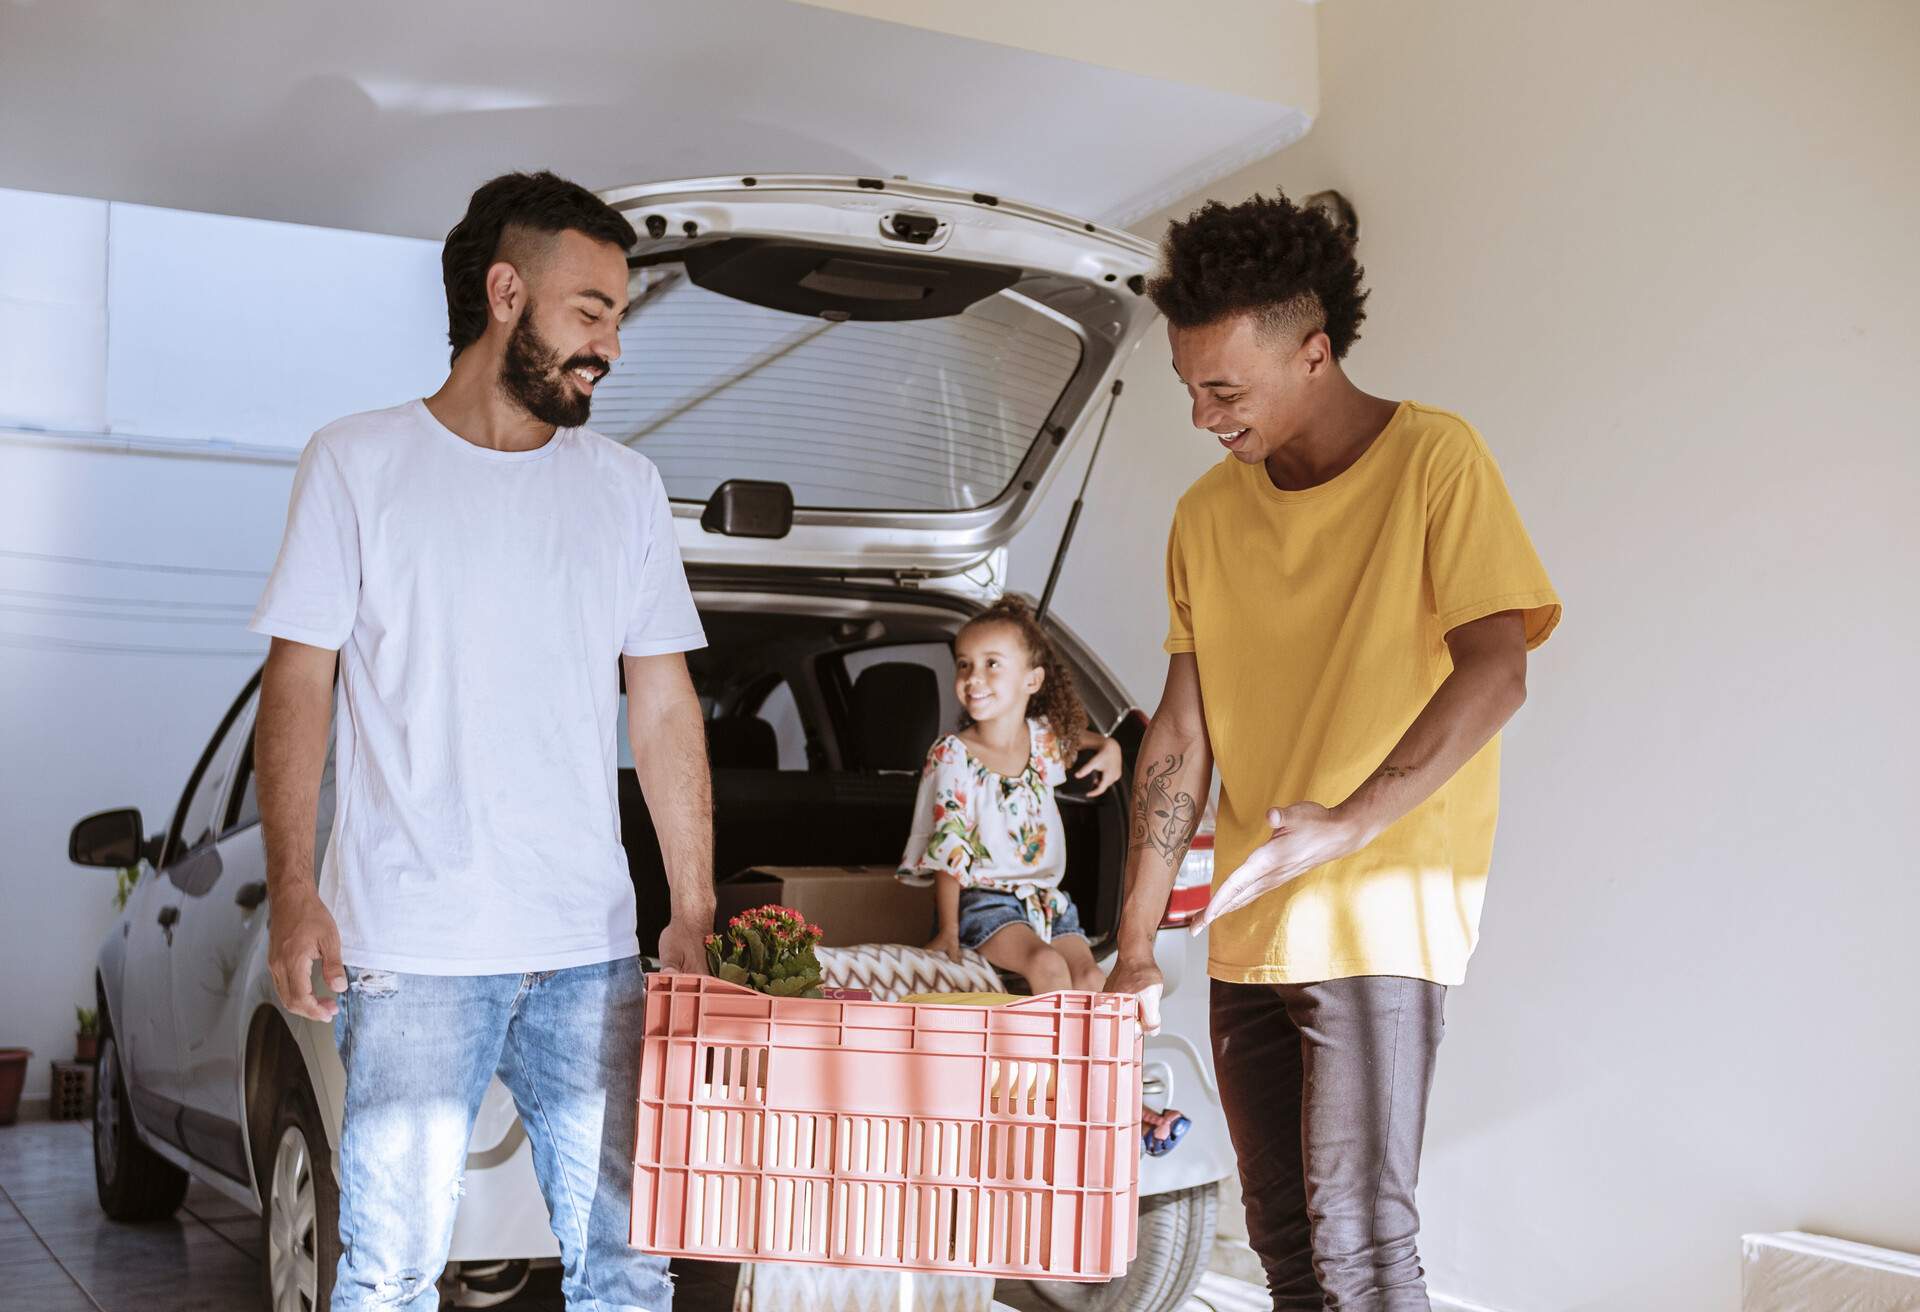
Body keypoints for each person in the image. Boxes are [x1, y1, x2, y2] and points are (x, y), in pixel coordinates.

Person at [252, 171, 712, 1311]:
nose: (609, 343)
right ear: (506, 292)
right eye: (590, 309)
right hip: (412, 952)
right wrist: (295, 888)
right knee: (390, 1273)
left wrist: (692, 904)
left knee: (629, 1265)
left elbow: (661, 709)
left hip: (591, 948)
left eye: (615, 315)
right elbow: (297, 686)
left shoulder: (626, 489)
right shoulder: (356, 464)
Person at [1102, 192, 1561, 1310]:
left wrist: (1354, 819)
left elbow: (1498, 667)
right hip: (1254, 920)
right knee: (1286, 1250)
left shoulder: (1436, 463)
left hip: (1380, 912)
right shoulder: (1207, 515)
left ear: (1313, 354)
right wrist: (1132, 945)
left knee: (1360, 1245)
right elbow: (1181, 733)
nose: (1207, 416)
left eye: (1226, 388)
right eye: (1192, 389)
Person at [897, 597, 1123, 994]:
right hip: (985, 903)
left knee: (1091, 977)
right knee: (1047, 965)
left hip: (1048, 902)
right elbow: (949, 844)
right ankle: (1052, 1059)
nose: (973, 676)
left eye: (992, 663)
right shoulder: (954, 755)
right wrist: (947, 930)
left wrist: (1111, 746)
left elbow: (1077, 739)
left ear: (1032, 681)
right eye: (964, 664)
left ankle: (1087, 1058)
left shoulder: (1041, 741)